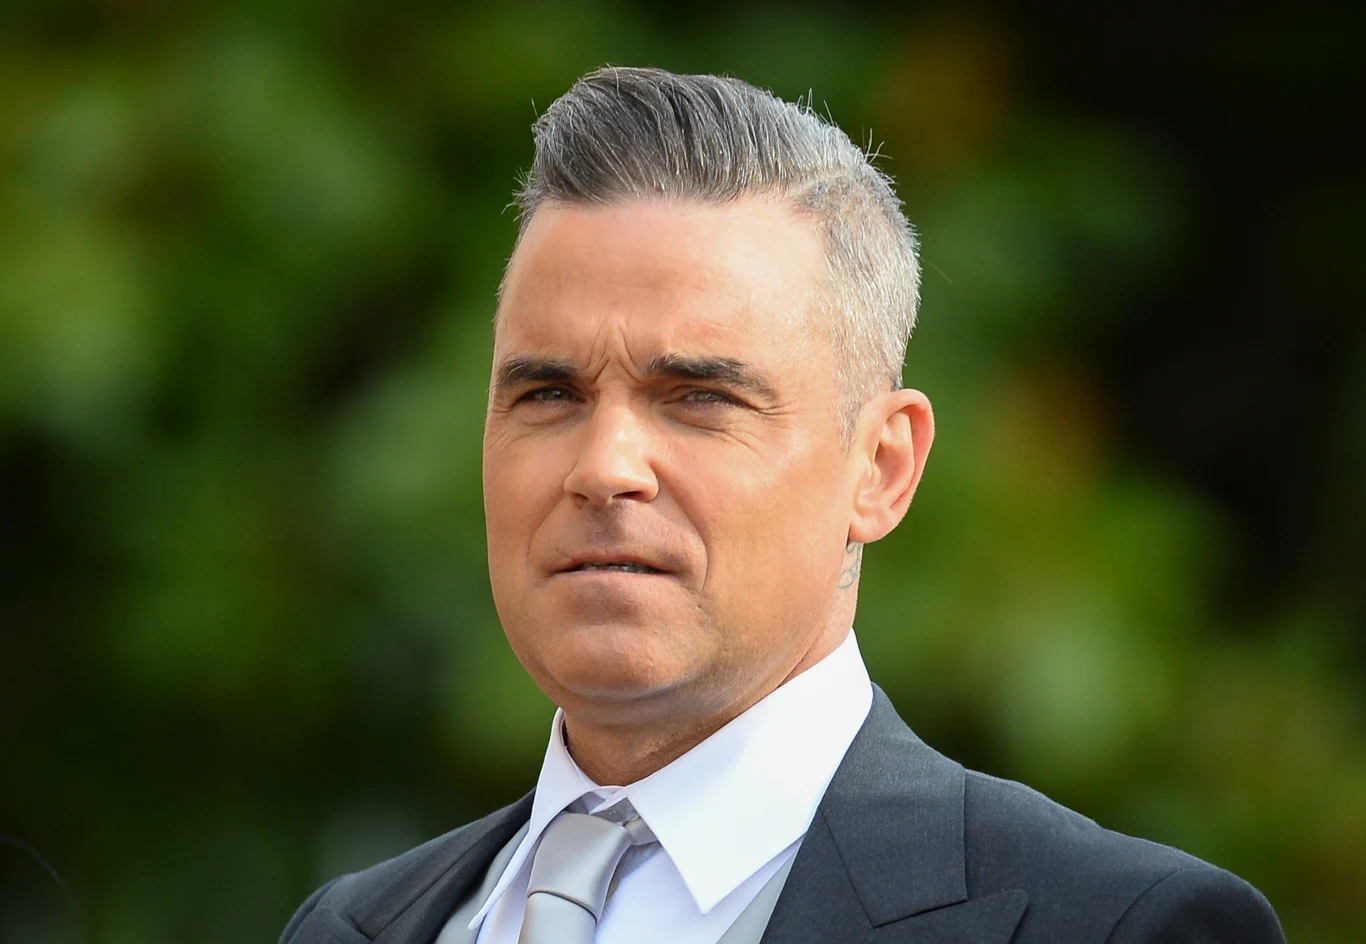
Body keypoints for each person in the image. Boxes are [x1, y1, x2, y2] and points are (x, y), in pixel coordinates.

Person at [277, 66, 1285, 944]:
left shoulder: (1116, 926)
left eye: (699, 398)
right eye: (548, 394)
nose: (605, 466)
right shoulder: (351, 929)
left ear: (881, 467)